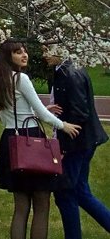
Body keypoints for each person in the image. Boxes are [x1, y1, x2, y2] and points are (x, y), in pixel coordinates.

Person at [0, 38, 82, 239]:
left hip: (10, 141)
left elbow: (19, 111)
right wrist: (63, 125)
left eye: (24, 51)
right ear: (8, 56)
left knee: (21, 206)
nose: (24, 55)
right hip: (31, 141)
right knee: (41, 204)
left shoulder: (0, 80)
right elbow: (43, 114)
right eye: (17, 52)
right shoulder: (21, 79)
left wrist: (38, 111)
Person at [43, 46, 110, 239]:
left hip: (77, 144)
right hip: (85, 141)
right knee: (80, 191)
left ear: (60, 50)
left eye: (48, 49)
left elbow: (79, 113)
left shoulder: (69, 74)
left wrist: (62, 146)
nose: (45, 54)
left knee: (65, 194)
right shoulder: (64, 71)